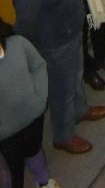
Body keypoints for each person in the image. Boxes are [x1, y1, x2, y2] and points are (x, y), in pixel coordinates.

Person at [12, 0, 105, 155]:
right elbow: (26, 24)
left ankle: (80, 109)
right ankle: (63, 135)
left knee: (75, 75)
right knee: (61, 90)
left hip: (70, 34)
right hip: (55, 44)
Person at [0, 18, 52, 188]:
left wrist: (40, 98)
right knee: (13, 170)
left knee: (34, 150)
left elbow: (38, 66)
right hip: (6, 133)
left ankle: (44, 182)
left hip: (32, 117)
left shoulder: (18, 44)